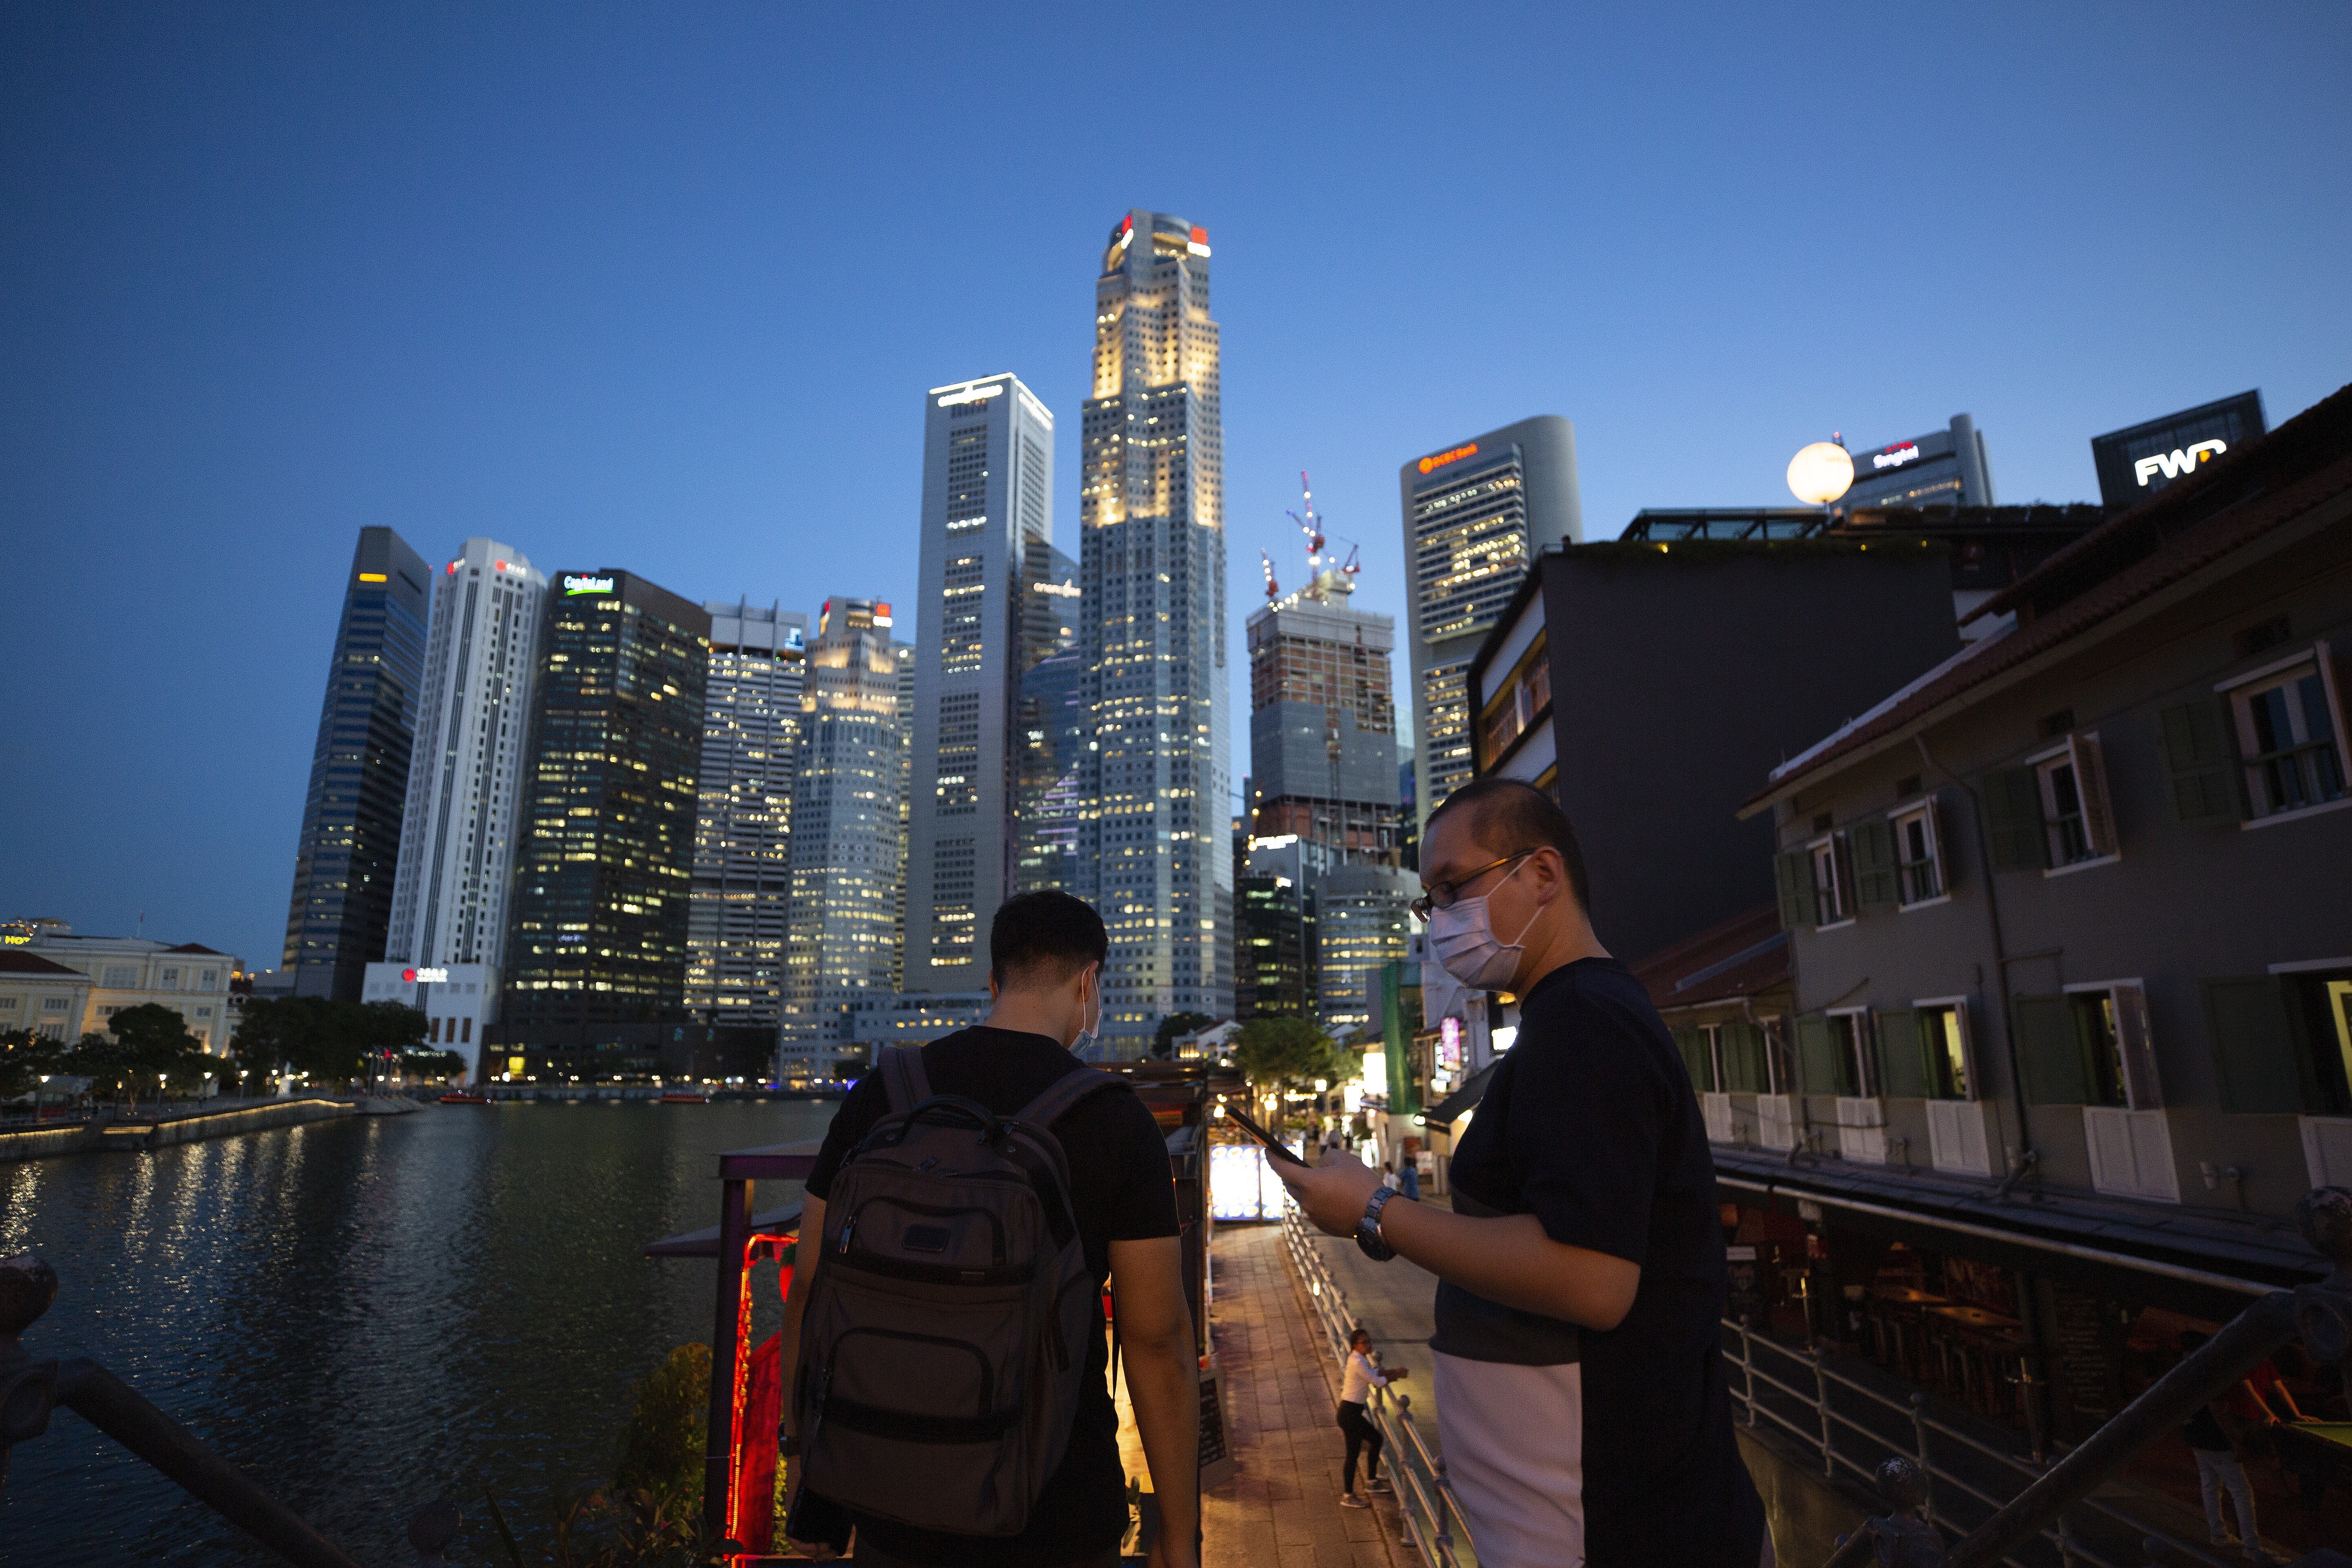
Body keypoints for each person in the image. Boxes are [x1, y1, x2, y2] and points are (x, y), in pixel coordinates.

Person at [1274, 777, 1768, 1568]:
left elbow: (1592, 1278)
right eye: (1428, 901)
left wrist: (1376, 1210)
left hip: (1614, 1526)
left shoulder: (1583, 1021)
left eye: (1452, 887)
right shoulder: (1566, 1017)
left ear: (1542, 875)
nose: (1438, 919)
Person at [781, 891, 1200, 1568]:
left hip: (886, 1502)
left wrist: (803, 1457)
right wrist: (1177, 1537)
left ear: (992, 980)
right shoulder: (1115, 1120)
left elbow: (808, 1286)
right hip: (1052, 1513)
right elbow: (1157, 1343)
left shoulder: (885, 1093)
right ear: (1089, 982)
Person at [2178, 1332, 2264, 1559]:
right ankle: (2251, 1547)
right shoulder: (2209, 1372)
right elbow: (2218, 1410)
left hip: (2194, 1434)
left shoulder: (2183, 1371)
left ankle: (2218, 1535)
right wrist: (2236, 1439)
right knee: (2241, 1492)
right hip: (2215, 1439)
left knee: (2209, 1485)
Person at [1338, 1327, 1407, 1508]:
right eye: (1365, 1343)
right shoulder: (1358, 1362)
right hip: (1350, 1414)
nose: (1369, 1345)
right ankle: (1348, 1495)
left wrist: (1392, 1371)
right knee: (1356, 1452)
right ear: (1356, 1346)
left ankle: (1370, 1481)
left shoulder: (1359, 1359)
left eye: (1370, 1341)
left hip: (1350, 1412)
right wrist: (1396, 1375)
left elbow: (1375, 1374)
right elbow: (1376, 1381)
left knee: (1374, 1440)